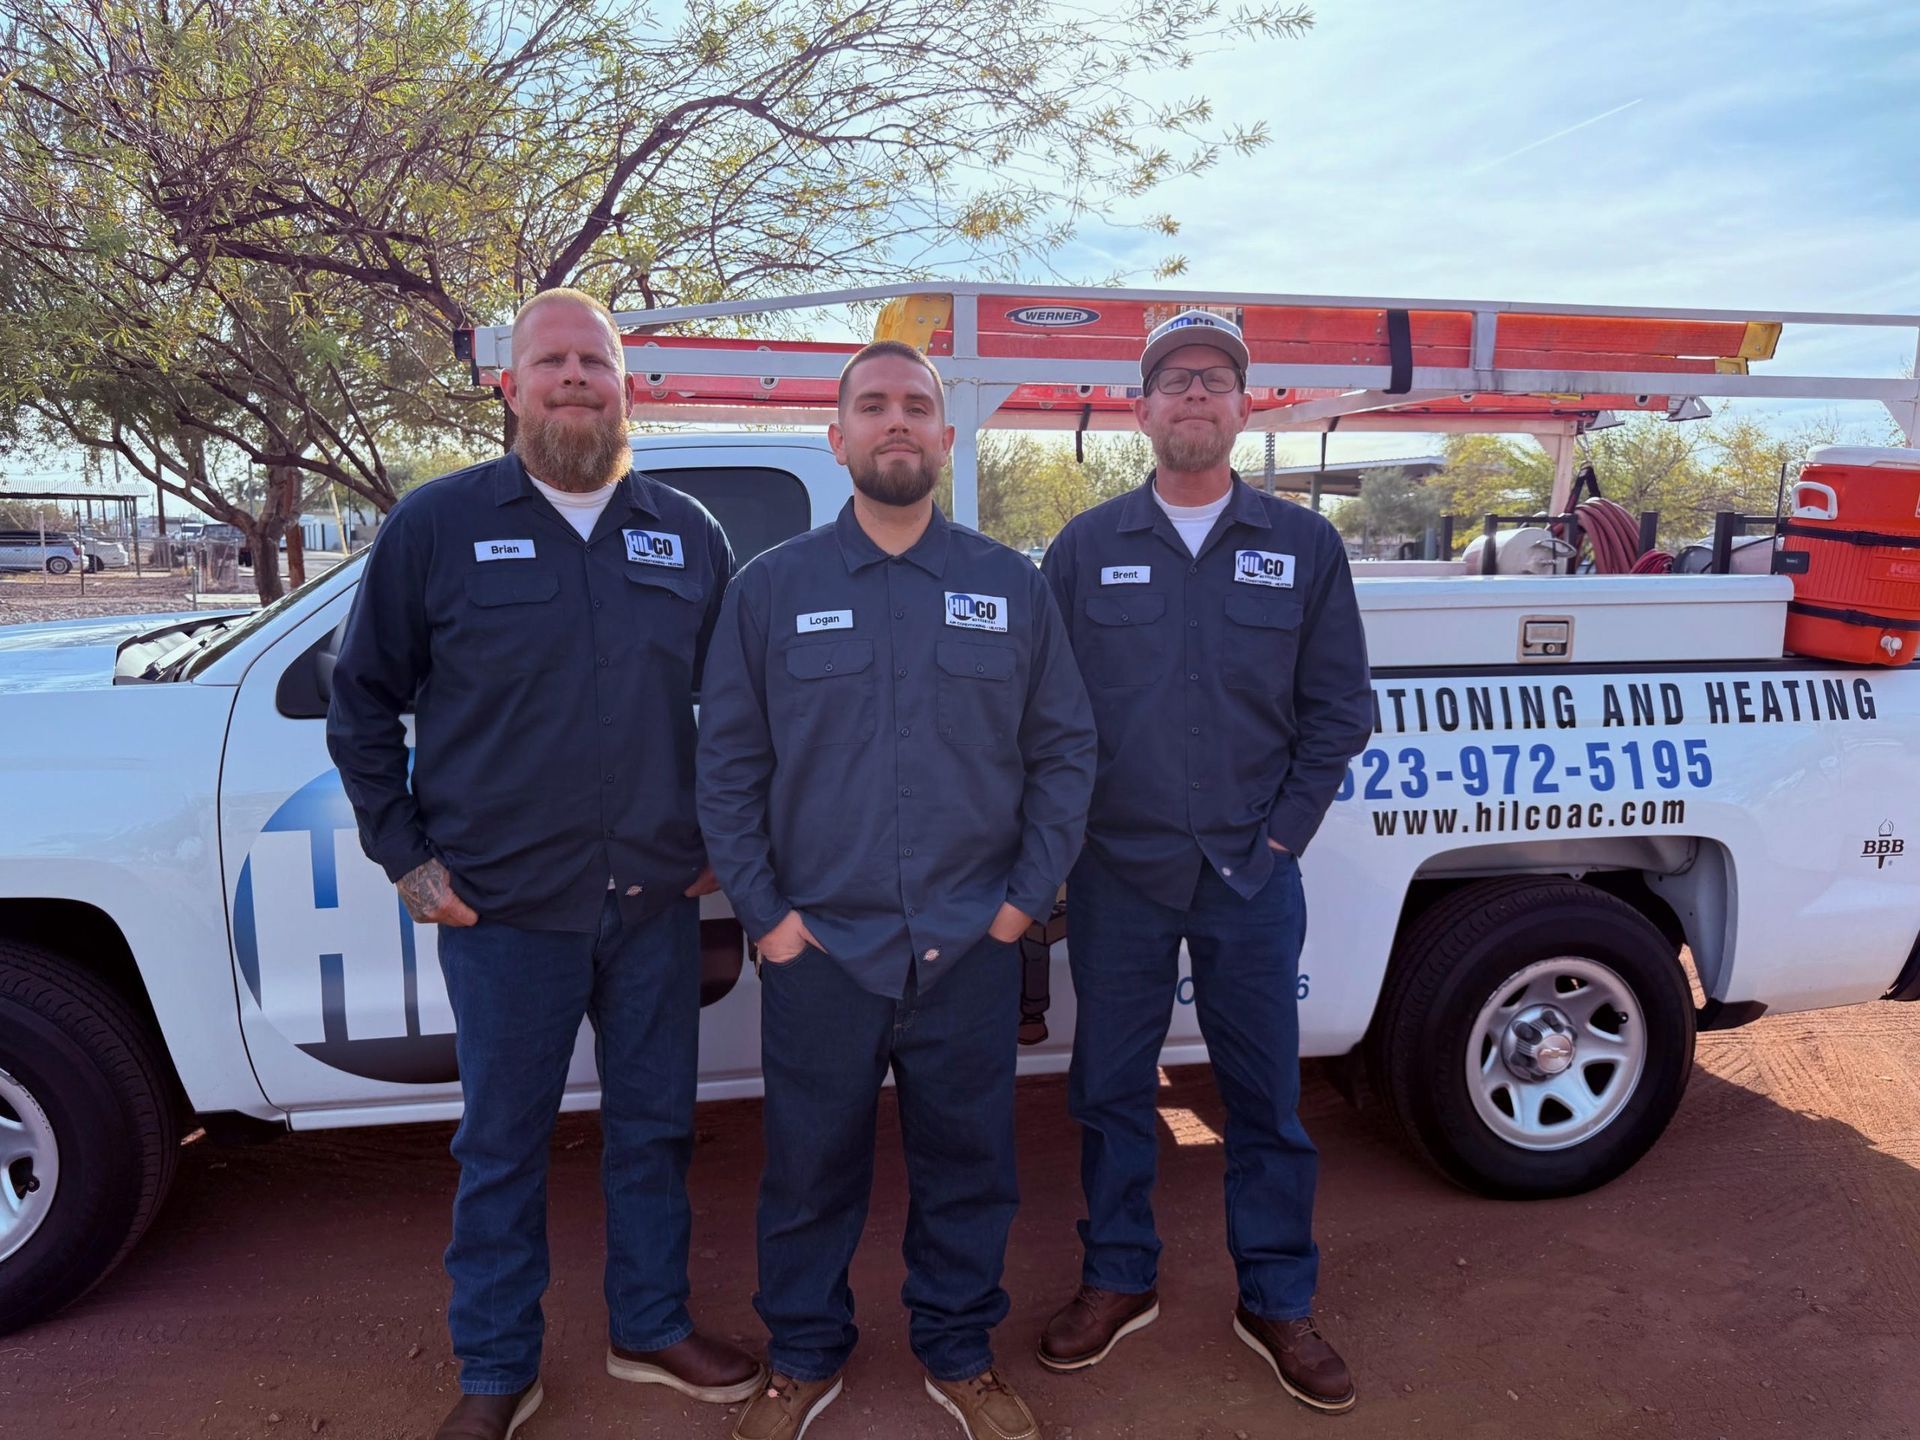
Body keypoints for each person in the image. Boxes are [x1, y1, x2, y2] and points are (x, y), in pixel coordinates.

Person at [327, 288, 761, 1440]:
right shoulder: (437, 525)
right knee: (502, 1142)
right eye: (551, 361)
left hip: (654, 906)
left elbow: (744, 708)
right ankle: (497, 1366)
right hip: (506, 912)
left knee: (657, 1126)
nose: (576, 379)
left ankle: (650, 1326)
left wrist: (724, 838)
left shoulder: (688, 533)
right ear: (508, 387)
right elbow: (360, 701)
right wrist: (407, 859)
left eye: (597, 362)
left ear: (630, 388)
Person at [696, 340, 1098, 1440]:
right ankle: (804, 1357)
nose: (897, 423)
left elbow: (1065, 752)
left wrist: (1021, 907)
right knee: (808, 1174)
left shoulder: (1008, 585)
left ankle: (960, 1354)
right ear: (838, 440)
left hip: (970, 946)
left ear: (947, 438)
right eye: (873, 406)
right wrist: (769, 921)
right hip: (821, 953)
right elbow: (726, 769)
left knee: (970, 1171)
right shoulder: (770, 591)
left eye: (917, 406)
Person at [1037, 311, 1374, 1414]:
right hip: (1118, 877)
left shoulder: (1303, 546)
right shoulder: (1085, 549)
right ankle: (1116, 1277)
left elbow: (1337, 716)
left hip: (1250, 877)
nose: (1194, 395)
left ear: (1243, 408)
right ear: (1141, 409)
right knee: (1110, 1090)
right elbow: (1048, 717)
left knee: (1265, 1100)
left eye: (1215, 381)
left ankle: (1275, 1296)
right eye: (1174, 380)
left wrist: (1279, 838)